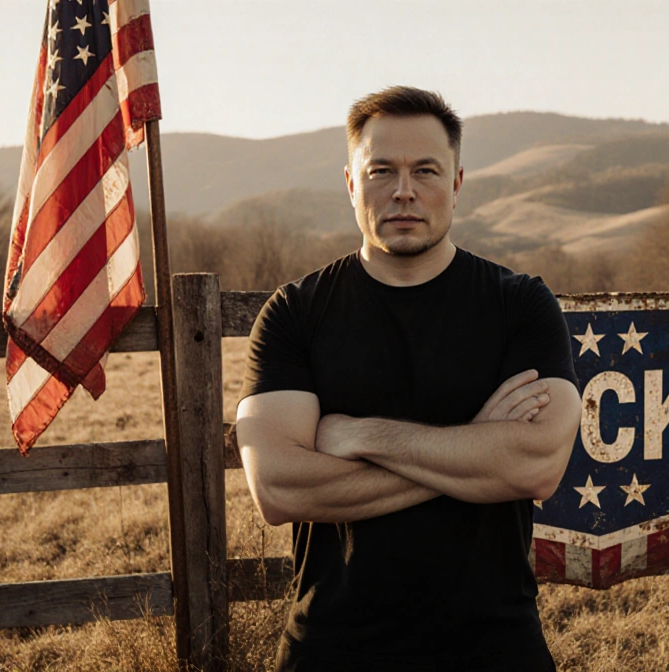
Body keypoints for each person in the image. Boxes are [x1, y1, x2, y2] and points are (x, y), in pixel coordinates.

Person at [234, 86, 582, 672]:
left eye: (426, 170)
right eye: (381, 171)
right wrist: (476, 448)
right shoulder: (294, 313)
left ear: (457, 182)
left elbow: (536, 466)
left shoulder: (520, 305)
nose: (403, 190)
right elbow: (279, 488)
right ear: (350, 183)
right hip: (332, 649)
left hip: (495, 646)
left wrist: (360, 435)